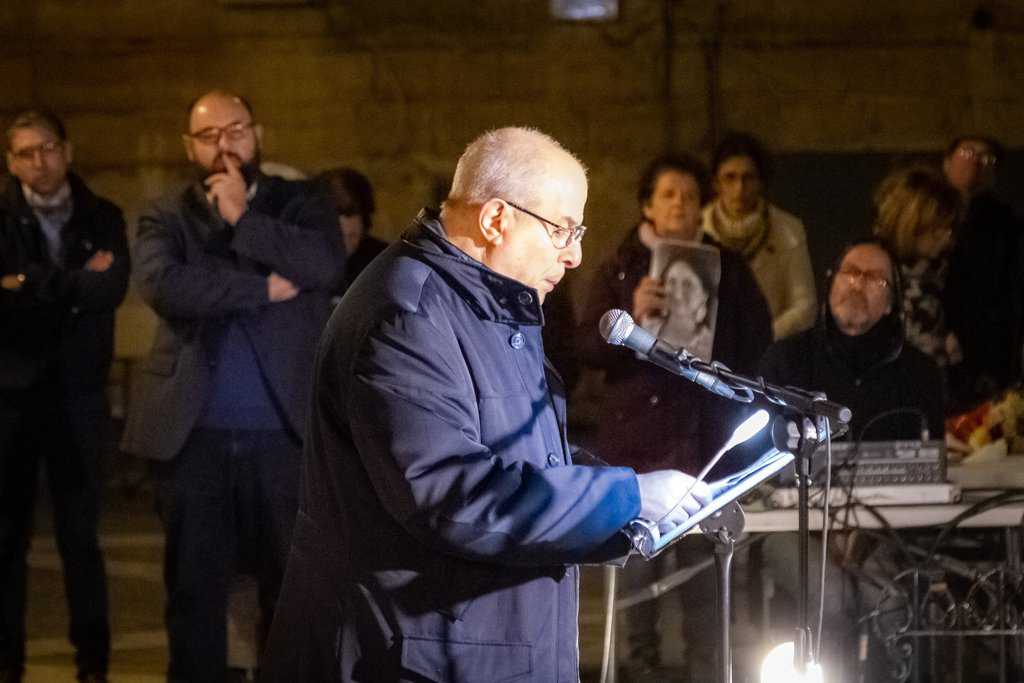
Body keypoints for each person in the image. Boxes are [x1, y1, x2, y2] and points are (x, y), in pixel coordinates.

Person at [260, 127, 710, 682]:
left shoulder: (486, 306)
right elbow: (454, 493)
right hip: (416, 656)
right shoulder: (408, 315)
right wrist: (624, 497)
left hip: (474, 645)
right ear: (496, 219)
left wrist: (630, 497)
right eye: (561, 230)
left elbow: (524, 458)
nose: (574, 255)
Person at [121, 90, 344, 682]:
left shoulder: (302, 202)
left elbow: (324, 266)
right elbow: (166, 287)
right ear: (188, 147)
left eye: (236, 130)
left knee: (292, 592)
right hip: (194, 437)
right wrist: (262, 289)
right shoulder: (166, 214)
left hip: (283, 437)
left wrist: (245, 218)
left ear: (257, 134)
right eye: (209, 135)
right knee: (194, 593)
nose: (225, 144)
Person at [577, 153, 772, 680]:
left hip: (704, 445)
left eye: (689, 196)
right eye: (668, 195)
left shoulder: (728, 267)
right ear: (647, 206)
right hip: (635, 449)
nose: (681, 205)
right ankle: (639, 671)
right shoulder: (620, 267)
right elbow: (586, 348)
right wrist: (633, 318)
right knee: (637, 587)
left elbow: (758, 341)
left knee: (704, 591)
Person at [758, 239, 945, 678]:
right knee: (831, 596)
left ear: (892, 302)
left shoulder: (919, 373)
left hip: (887, 531)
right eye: (851, 273)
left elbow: (927, 467)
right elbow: (760, 459)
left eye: (875, 278)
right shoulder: (785, 360)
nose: (858, 285)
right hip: (794, 526)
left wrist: (864, 530)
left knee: (889, 599)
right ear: (830, 283)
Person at [0, 110, 129, 683]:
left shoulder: (103, 216)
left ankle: (93, 665)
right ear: (11, 162)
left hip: (78, 396)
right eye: (26, 152)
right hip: (11, 399)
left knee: (81, 538)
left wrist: (26, 284)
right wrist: (74, 285)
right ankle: (7, 661)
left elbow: (109, 288)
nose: (40, 161)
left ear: (67, 151)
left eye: (48, 147)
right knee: (7, 538)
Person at [702, 132, 816, 340]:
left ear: (761, 182)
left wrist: (763, 337)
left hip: (771, 344)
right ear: (716, 182)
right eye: (730, 178)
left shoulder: (788, 230)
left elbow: (805, 305)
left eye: (748, 178)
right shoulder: (700, 228)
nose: (739, 188)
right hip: (708, 347)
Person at [941, 136, 1023, 407]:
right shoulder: (922, 213)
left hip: (986, 353)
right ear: (947, 162)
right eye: (968, 152)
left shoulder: (1005, 223)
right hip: (930, 343)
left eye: (987, 158)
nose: (976, 163)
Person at [871, 164, 962, 381]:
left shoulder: (936, 272)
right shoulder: (872, 273)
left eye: (950, 229)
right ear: (910, 223)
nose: (947, 238)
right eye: (938, 228)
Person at [317, 166, 388, 298]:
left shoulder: (383, 261)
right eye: (332, 213)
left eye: (349, 212)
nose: (342, 225)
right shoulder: (303, 262)